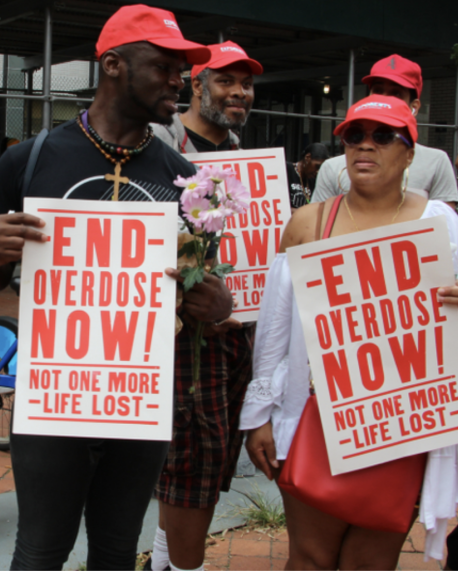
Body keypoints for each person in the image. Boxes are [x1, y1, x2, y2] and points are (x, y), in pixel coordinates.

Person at [0, 4, 233, 570]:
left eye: (181, 69)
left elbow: (200, 290)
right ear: (113, 65)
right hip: (53, 399)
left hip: (138, 402)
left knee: (115, 552)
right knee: (40, 552)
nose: (177, 80)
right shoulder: (27, 162)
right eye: (163, 66)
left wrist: (215, 303)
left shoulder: (187, 182)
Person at [240, 94, 458, 569]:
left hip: (404, 423)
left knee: (372, 562)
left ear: (409, 154)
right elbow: (274, 330)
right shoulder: (308, 224)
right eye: (354, 136)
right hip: (315, 417)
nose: (365, 146)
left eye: (383, 137)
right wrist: (258, 416)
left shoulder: (441, 225)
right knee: (310, 557)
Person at [147, 41, 261, 572]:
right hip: (187, 338)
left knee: (210, 463)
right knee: (192, 463)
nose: (240, 92)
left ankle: (163, 560)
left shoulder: (242, 154)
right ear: (197, 85)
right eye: (226, 81)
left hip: (236, 331)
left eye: (247, 84)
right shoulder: (161, 147)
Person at [311, 55, 458, 208]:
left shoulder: (436, 162)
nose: (384, 100)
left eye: (396, 93)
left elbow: (443, 220)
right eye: (378, 91)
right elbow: (317, 220)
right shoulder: (331, 168)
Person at [286, 143, 330, 209]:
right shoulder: (287, 169)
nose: (318, 171)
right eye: (317, 166)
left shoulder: (314, 180)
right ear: (307, 158)